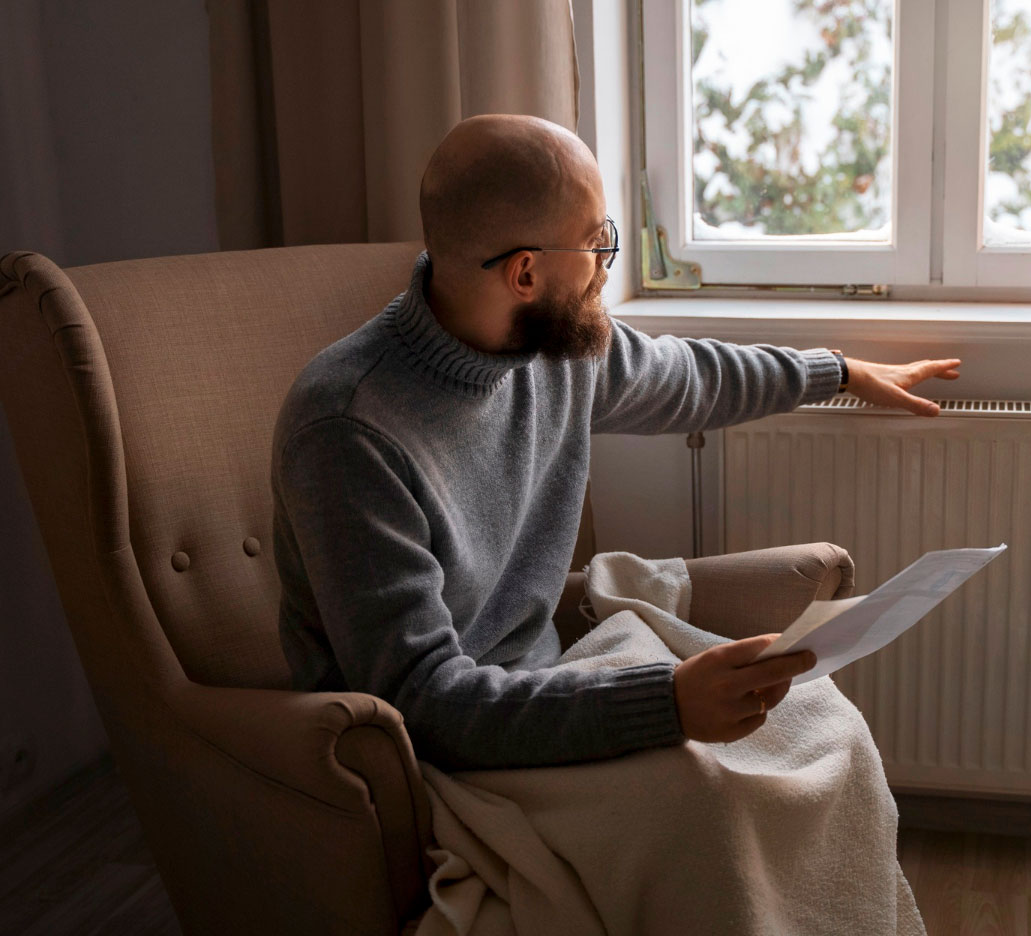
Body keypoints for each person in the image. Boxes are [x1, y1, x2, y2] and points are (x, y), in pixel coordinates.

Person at [271, 113, 962, 772]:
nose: (606, 264)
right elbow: (420, 701)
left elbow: (691, 377)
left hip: (546, 684)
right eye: (597, 240)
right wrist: (665, 704)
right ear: (526, 274)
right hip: (438, 756)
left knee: (822, 732)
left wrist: (837, 371)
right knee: (721, 795)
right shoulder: (348, 430)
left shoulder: (551, 349)